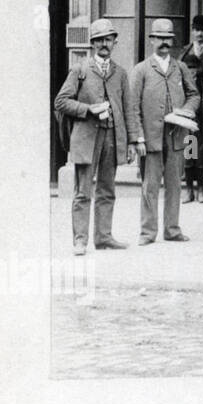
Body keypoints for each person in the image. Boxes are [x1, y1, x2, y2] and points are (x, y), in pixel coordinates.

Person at [54, 19, 138, 255]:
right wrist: (87, 109)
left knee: (107, 189)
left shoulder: (120, 73)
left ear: (115, 42)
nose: (104, 44)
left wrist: (132, 141)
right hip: (86, 137)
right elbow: (60, 102)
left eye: (108, 39)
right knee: (82, 191)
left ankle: (104, 237)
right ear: (92, 43)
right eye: (99, 39)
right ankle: (80, 240)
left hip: (112, 136)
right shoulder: (80, 70)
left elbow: (128, 109)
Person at [129, 17, 201, 245]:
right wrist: (137, 136)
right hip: (150, 138)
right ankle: (148, 232)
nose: (164, 43)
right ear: (151, 40)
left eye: (168, 39)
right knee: (149, 186)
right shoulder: (141, 70)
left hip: (178, 137)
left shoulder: (180, 68)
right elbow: (132, 107)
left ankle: (172, 229)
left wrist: (185, 112)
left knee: (174, 185)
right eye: (159, 38)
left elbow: (194, 95)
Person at [179, 14, 203, 203]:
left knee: (201, 148)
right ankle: (189, 189)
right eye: (195, 30)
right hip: (188, 106)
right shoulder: (185, 52)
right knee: (189, 144)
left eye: (202, 30)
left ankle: (201, 187)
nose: (198, 34)